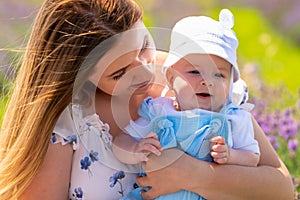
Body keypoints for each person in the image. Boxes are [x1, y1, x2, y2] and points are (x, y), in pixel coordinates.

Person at [0, 0, 294, 200]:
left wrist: (196, 176)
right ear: (82, 77)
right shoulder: (67, 120)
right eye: (119, 73)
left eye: (144, 46)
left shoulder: (192, 75)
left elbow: (281, 188)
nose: (143, 72)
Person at [113, 9, 260, 200]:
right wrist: (135, 149)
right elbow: (120, 141)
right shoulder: (159, 110)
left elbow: (253, 157)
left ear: (231, 84)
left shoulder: (234, 118)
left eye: (219, 75)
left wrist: (231, 156)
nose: (207, 81)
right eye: (194, 72)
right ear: (171, 78)